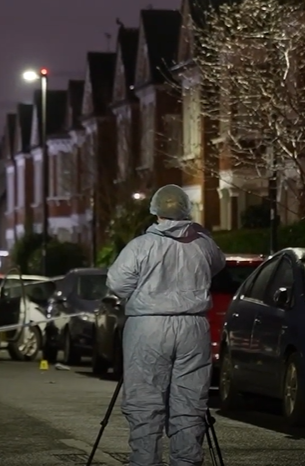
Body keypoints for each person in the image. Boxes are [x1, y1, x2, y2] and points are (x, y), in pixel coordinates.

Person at [107, 184, 226, 466]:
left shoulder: (141, 246)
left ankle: (145, 461)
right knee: (189, 401)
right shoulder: (203, 243)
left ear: (155, 212)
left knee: (145, 399)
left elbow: (117, 284)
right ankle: (186, 461)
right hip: (193, 327)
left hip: (148, 326)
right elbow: (218, 264)